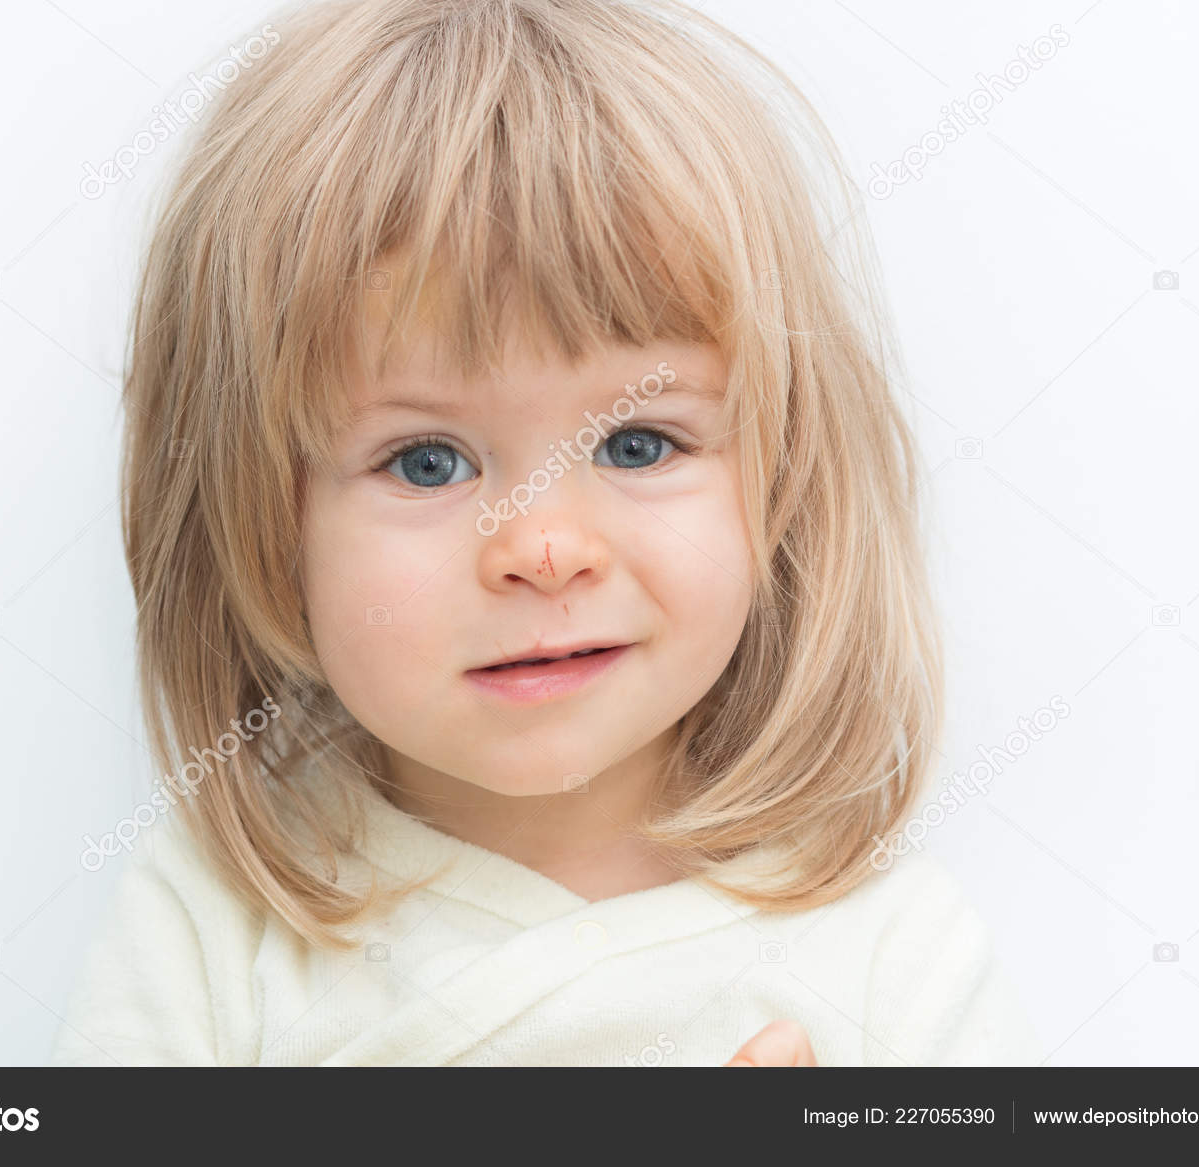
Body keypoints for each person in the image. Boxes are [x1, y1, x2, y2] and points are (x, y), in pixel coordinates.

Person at [52, 0, 1040, 1067]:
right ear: (258, 520)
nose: (544, 547)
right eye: (427, 461)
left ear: (787, 479)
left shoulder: (886, 952)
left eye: (637, 444)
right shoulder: (215, 922)